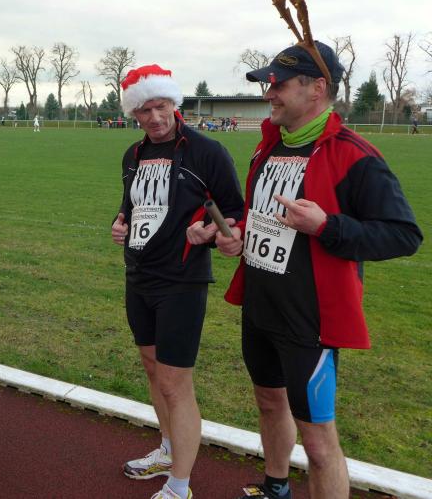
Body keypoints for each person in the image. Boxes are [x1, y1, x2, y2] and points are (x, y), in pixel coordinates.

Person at [196, 41, 422, 499]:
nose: (270, 93)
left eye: (279, 85)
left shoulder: (354, 155)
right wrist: (237, 235)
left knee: (318, 444)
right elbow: (262, 218)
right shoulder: (268, 148)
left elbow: (404, 235)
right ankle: (276, 487)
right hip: (261, 308)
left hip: (310, 323)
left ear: (317, 88)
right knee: (269, 403)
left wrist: (327, 226)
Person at [111, 64, 244, 499]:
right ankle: (167, 451)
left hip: (182, 280)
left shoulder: (207, 152)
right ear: (133, 114)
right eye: (144, 110)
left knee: (174, 383)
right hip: (139, 276)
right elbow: (131, 205)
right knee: (153, 369)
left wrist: (212, 231)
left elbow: (234, 211)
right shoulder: (133, 155)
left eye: (161, 106)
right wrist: (119, 223)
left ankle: (179, 487)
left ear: (174, 103)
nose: (154, 117)